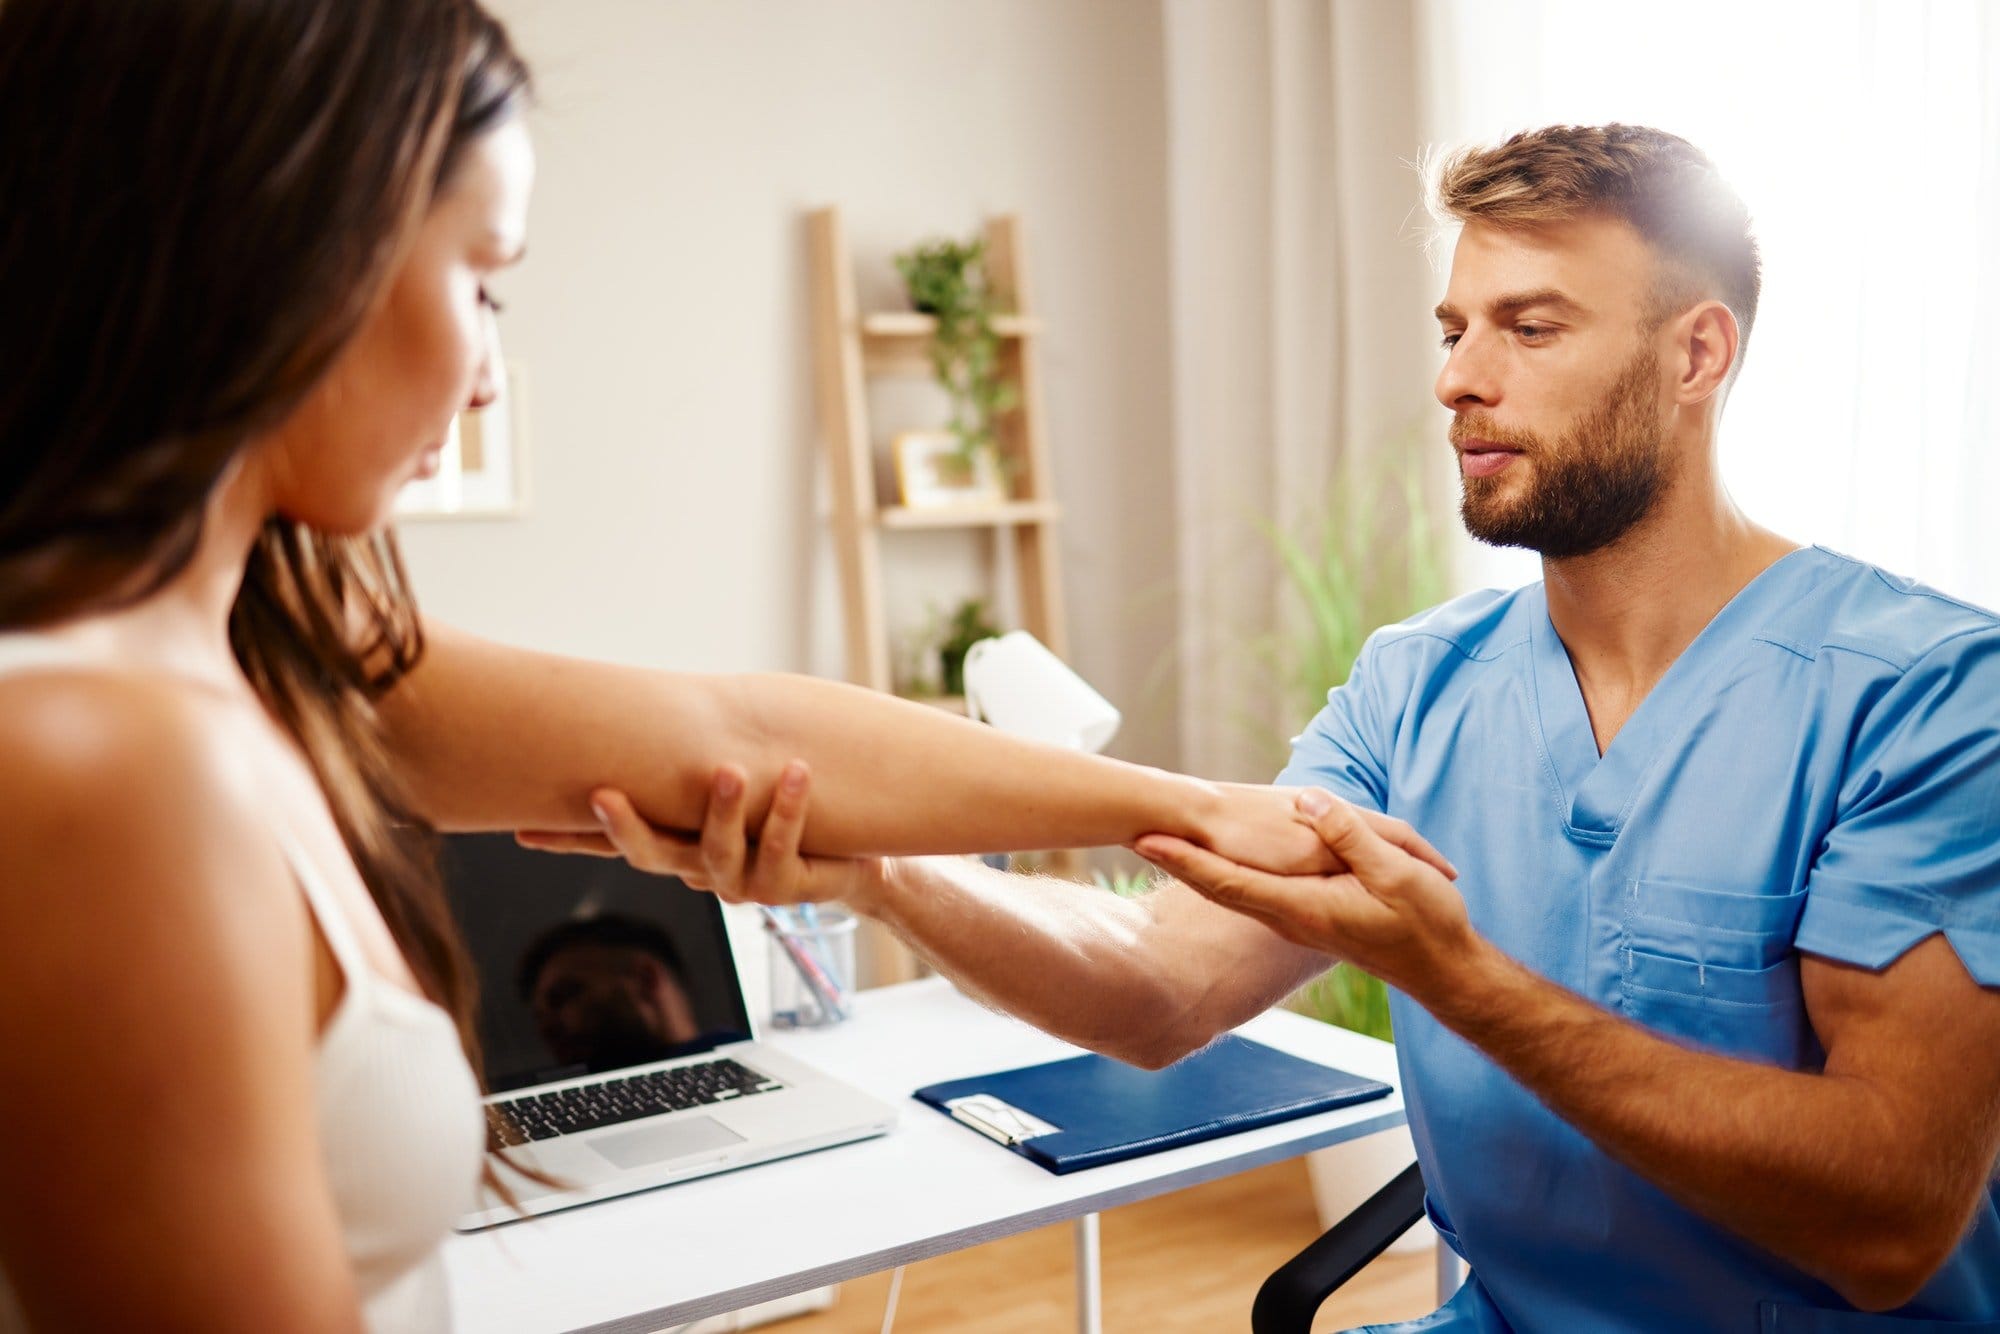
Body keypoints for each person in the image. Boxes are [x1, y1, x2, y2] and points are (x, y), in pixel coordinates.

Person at [0, 2, 1391, 1329]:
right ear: (285, 247)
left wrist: (1187, 805)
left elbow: (734, 726)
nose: (489, 373)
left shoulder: (280, 662)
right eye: (480, 280)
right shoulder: (107, 762)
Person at [574, 126, 2000, 1331]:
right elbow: (1159, 987)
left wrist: (1462, 977)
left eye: (1531, 326)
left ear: (1698, 356)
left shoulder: (1926, 694)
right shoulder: (1417, 684)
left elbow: (1891, 1215)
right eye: (1453, 328)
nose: (1457, 378)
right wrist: (880, 877)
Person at [518, 915, 707, 1071]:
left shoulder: (733, 1058)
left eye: (563, 996)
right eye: (539, 1017)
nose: (545, 1029)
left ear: (646, 979)